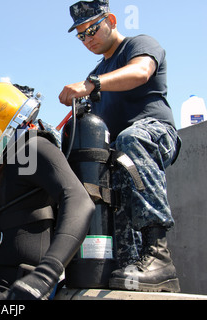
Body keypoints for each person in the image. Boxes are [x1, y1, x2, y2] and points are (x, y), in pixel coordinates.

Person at [59, 0, 181, 292]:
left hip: (154, 134)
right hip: (120, 155)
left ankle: (160, 256)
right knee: (92, 167)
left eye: (92, 29)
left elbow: (140, 72)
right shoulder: (99, 70)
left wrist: (91, 84)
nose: (88, 39)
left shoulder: (139, 44)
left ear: (111, 19)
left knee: (129, 139)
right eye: (81, 35)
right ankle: (136, 266)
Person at [0, 78, 95, 300]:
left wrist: (45, 276)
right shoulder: (6, 162)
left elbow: (79, 201)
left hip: (13, 287)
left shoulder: (34, 146)